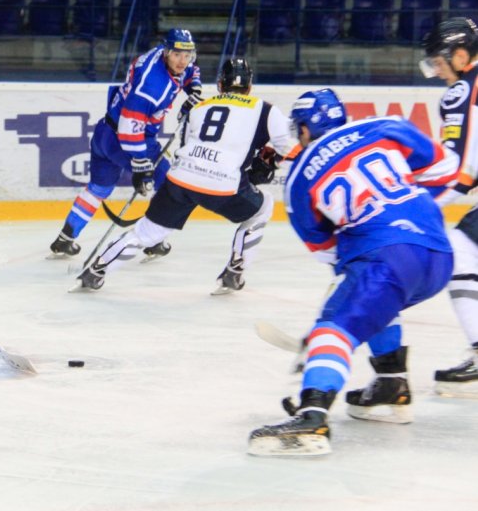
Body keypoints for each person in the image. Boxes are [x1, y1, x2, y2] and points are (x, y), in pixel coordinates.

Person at [248, 89, 458, 456]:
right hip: (439, 251)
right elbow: (446, 169)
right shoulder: (383, 125)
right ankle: (391, 384)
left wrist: (337, 310)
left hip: (385, 257)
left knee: (335, 326)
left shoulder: (298, 179)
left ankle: (312, 418)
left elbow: (325, 249)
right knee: (379, 300)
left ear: (304, 129)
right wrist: (405, 212)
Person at [74, 58, 297, 295]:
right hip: (222, 184)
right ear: (249, 86)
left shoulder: (199, 107)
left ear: (220, 84)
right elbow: (291, 151)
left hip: (181, 178)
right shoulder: (265, 109)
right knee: (263, 207)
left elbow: (188, 145)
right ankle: (235, 271)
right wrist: (272, 161)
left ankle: (96, 270)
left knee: (146, 232)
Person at [49, 28, 204, 259]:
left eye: (187, 54)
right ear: (167, 52)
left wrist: (194, 88)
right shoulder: (151, 88)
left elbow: (190, 70)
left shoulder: (161, 55)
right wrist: (141, 164)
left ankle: (65, 238)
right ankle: (155, 240)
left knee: (99, 188)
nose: (183, 61)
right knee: (169, 184)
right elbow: (129, 130)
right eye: (177, 55)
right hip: (129, 141)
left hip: (104, 133)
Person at [419, 17, 478, 396]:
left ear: (460, 55)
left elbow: (460, 170)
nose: (438, 72)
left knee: (460, 252)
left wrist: (420, 204)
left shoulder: (463, 91)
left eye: (439, 63)